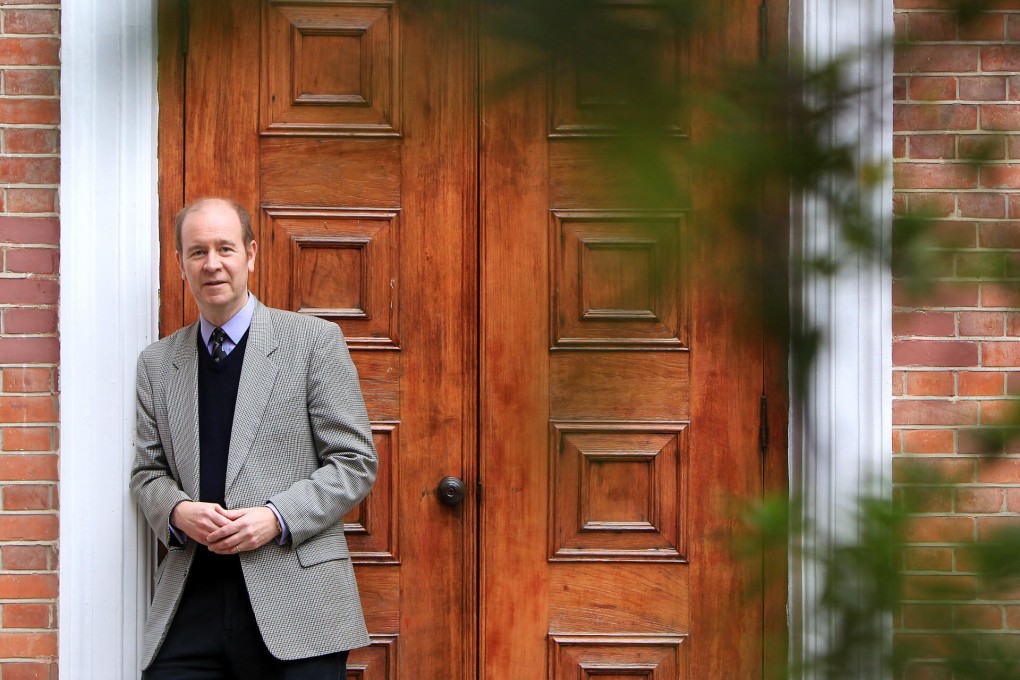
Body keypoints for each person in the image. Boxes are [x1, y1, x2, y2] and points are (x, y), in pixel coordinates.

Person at [130, 197, 377, 679]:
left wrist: (275, 518)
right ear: (181, 264)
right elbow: (148, 472)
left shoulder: (313, 342)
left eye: (225, 248)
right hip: (192, 601)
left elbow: (355, 461)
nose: (212, 263)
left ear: (251, 254)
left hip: (298, 605)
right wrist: (177, 511)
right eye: (198, 251)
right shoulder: (157, 364)